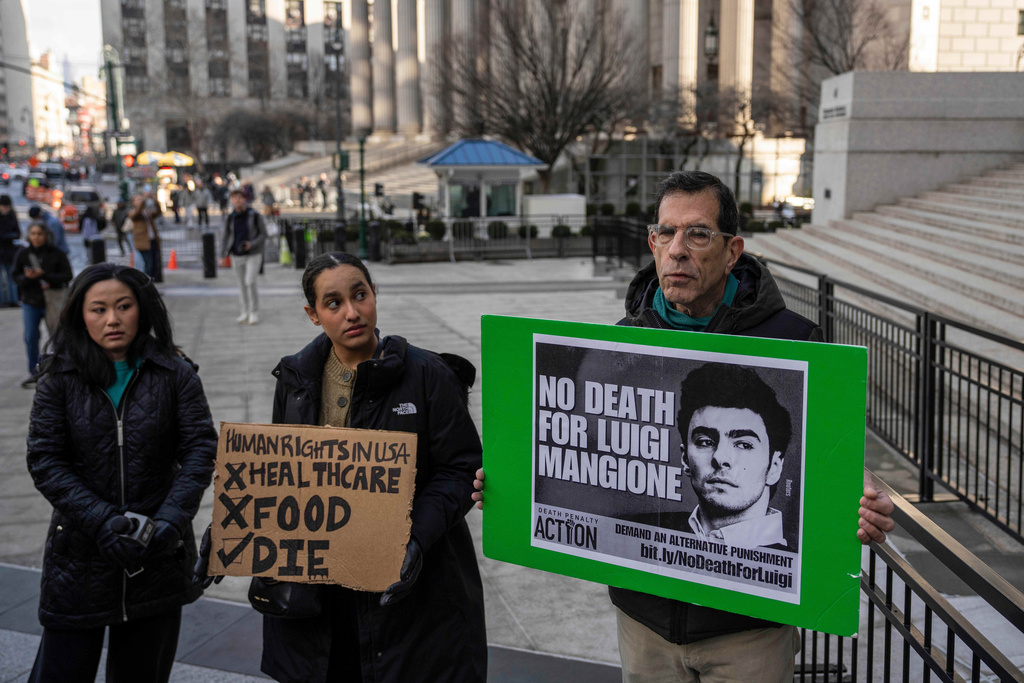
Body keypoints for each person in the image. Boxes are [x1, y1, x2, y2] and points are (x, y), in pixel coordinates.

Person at [473, 170, 895, 683]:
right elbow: (575, 452)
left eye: (697, 233)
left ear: (732, 250)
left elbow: (833, 458)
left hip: (748, 631)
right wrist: (509, 482)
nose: (677, 250)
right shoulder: (619, 345)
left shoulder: (795, 342)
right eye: (664, 233)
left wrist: (864, 494)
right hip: (644, 622)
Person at [195, 252, 487, 683]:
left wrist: (414, 540)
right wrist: (234, 527)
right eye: (333, 303)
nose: (352, 312)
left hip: (408, 600)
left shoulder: (428, 374)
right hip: (321, 604)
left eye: (360, 295)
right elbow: (280, 477)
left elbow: (460, 468)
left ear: (374, 295)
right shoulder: (295, 380)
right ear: (313, 315)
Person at [25, 263, 217, 683]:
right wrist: (100, 520)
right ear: (79, 315)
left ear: (142, 310)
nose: (112, 320)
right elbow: (45, 459)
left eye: (123, 306)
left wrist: (170, 520)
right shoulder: (60, 376)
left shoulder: (174, 373)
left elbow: (200, 449)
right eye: (98, 309)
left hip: (157, 558)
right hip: (80, 557)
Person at [674, 363, 793, 549]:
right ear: (685, 459)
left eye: (744, 445)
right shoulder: (648, 530)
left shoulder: (807, 568)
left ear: (774, 466)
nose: (720, 458)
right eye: (705, 442)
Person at [13, 223, 73, 388]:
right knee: (30, 336)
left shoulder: (56, 253)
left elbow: (67, 276)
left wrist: (45, 276)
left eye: (40, 233)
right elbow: (15, 276)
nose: (36, 237)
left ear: (46, 235)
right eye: (33, 234)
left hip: (52, 302)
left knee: (58, 336)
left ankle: (60, 368)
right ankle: (35, 371)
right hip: (31, 301)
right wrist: (28, 278)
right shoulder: (23, 254)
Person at [221, 189, 266, 325]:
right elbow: (225, 236)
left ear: (245, 199)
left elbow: (263, 234)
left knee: (250, 281)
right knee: (241, 284)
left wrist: (251, 244)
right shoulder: (230, 217)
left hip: (253, 254)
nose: (237, 200)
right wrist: (222, 254)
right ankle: (244, 311)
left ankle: (254, 312)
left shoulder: (254, 215)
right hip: (237, 254)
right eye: (234, 198)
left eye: (239, 198)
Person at [129, 193, 162, 281]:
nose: (140, 201)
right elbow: (137, 213)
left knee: (155, 264)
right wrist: (143, 200)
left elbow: (158, 212)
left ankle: (151, 283)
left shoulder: (147, 212)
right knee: (148, 264)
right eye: (138, 200)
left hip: (152, 241)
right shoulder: (133, 213)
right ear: (133, 203)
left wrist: (155, 200)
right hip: (143, 243)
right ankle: (147, 284)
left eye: (141, 199)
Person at [0, 194, 21, 307]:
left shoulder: (12, 216)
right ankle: (2, 301)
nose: (5, 210)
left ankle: (13, 300)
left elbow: (17, 233)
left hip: (9, 252)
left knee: (11, 277)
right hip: (5, 250)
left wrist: (5, 236)